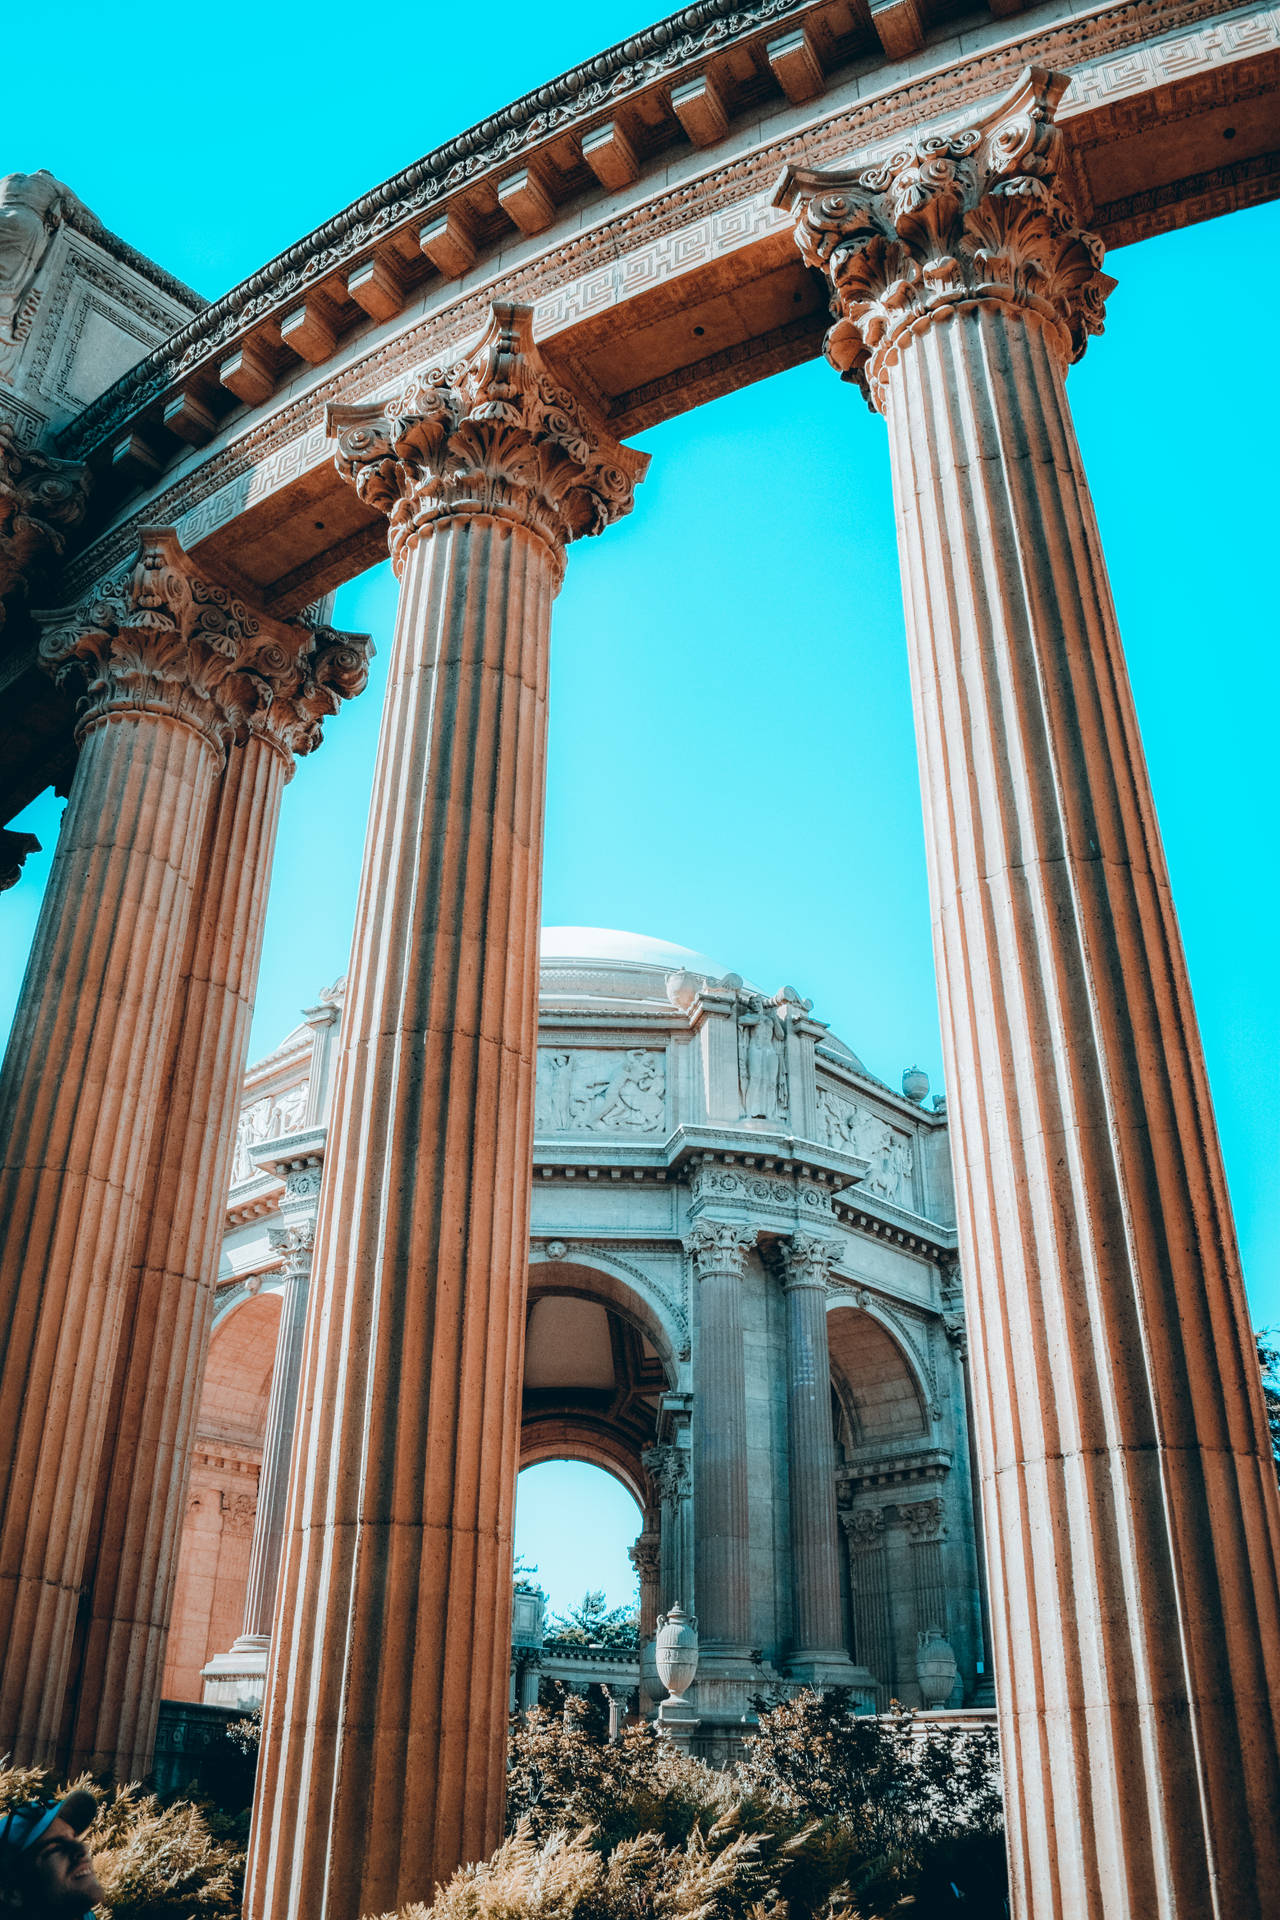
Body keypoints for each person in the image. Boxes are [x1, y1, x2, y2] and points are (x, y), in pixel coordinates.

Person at [0, 1789, 102, 1917]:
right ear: (12, 1894)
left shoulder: (80, 1914)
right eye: (56, 1848)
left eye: (74, 1838)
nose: (83, 1849)